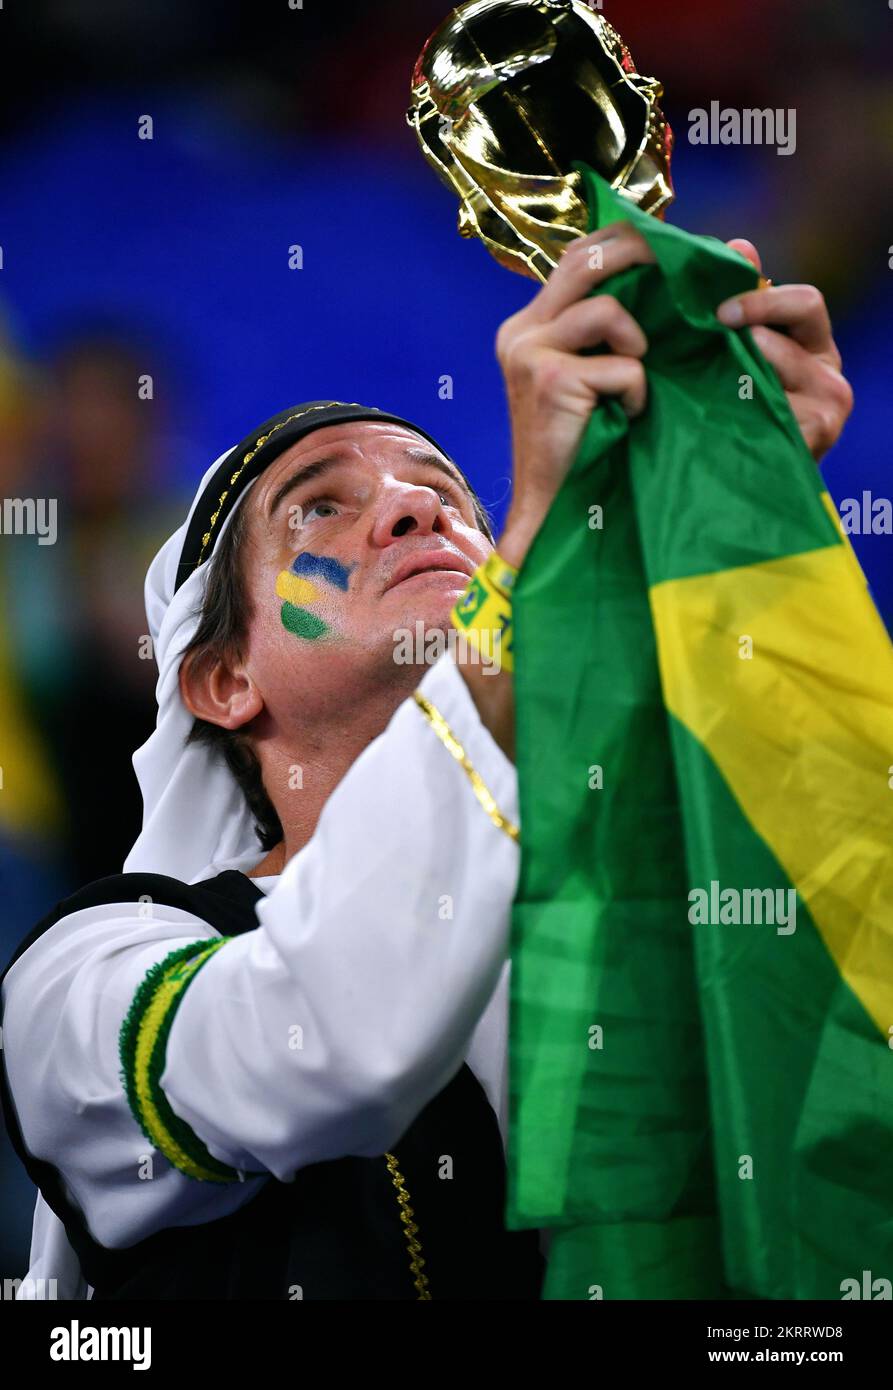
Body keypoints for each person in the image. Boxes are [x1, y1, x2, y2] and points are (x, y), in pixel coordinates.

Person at [0, 223, 853, 1300]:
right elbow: (327, 1039)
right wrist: (539, 559)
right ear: (221, 680)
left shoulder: (642, 908)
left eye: (447, 496)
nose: (416, 509)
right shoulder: (80, 980)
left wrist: (754, 520)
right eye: (320, 505)